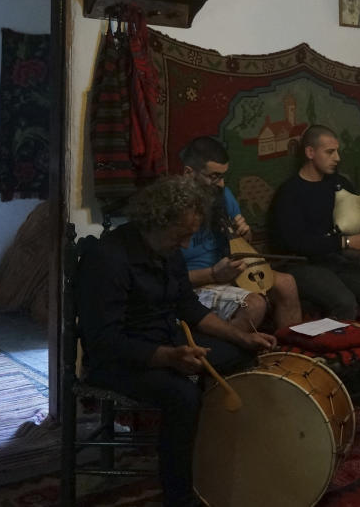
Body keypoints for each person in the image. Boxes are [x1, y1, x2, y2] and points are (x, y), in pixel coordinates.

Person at [77, 175, 277, 507]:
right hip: (120, 360)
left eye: (190, 236)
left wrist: (241, 336)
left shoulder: (167, 250)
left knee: (241, 356)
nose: (185, 246)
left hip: (165, 343)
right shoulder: (109, 259)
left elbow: (188, 307)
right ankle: (179, 495)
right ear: (154, 222)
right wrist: (170, 358)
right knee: (182, 395)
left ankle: (216, 459)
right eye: (180, 236)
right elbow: (104, 342)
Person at [269, 125, 360, 325]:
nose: (337, 158)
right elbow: (295, 242)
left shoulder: (339, 184)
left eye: (337, 151)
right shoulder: (290, 193)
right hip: (301, 264)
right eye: (330, 152)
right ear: (310, 152)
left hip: (335, 261)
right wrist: (346, 242)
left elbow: (355, 220)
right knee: (345, 302)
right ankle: (336, 353)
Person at [179, 136, 302, 333]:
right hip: (195, 283)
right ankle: (227, 358)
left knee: (287, 283)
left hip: (230, 270)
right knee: (253, 305)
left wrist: (244, 234)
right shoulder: (173, 210)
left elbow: (244, 241)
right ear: (188, 173)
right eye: (213, 177)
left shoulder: (222, 195)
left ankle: (291, 355)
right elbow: (164, 278)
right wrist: (212, 274)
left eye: (223, 176)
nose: (221, 184)